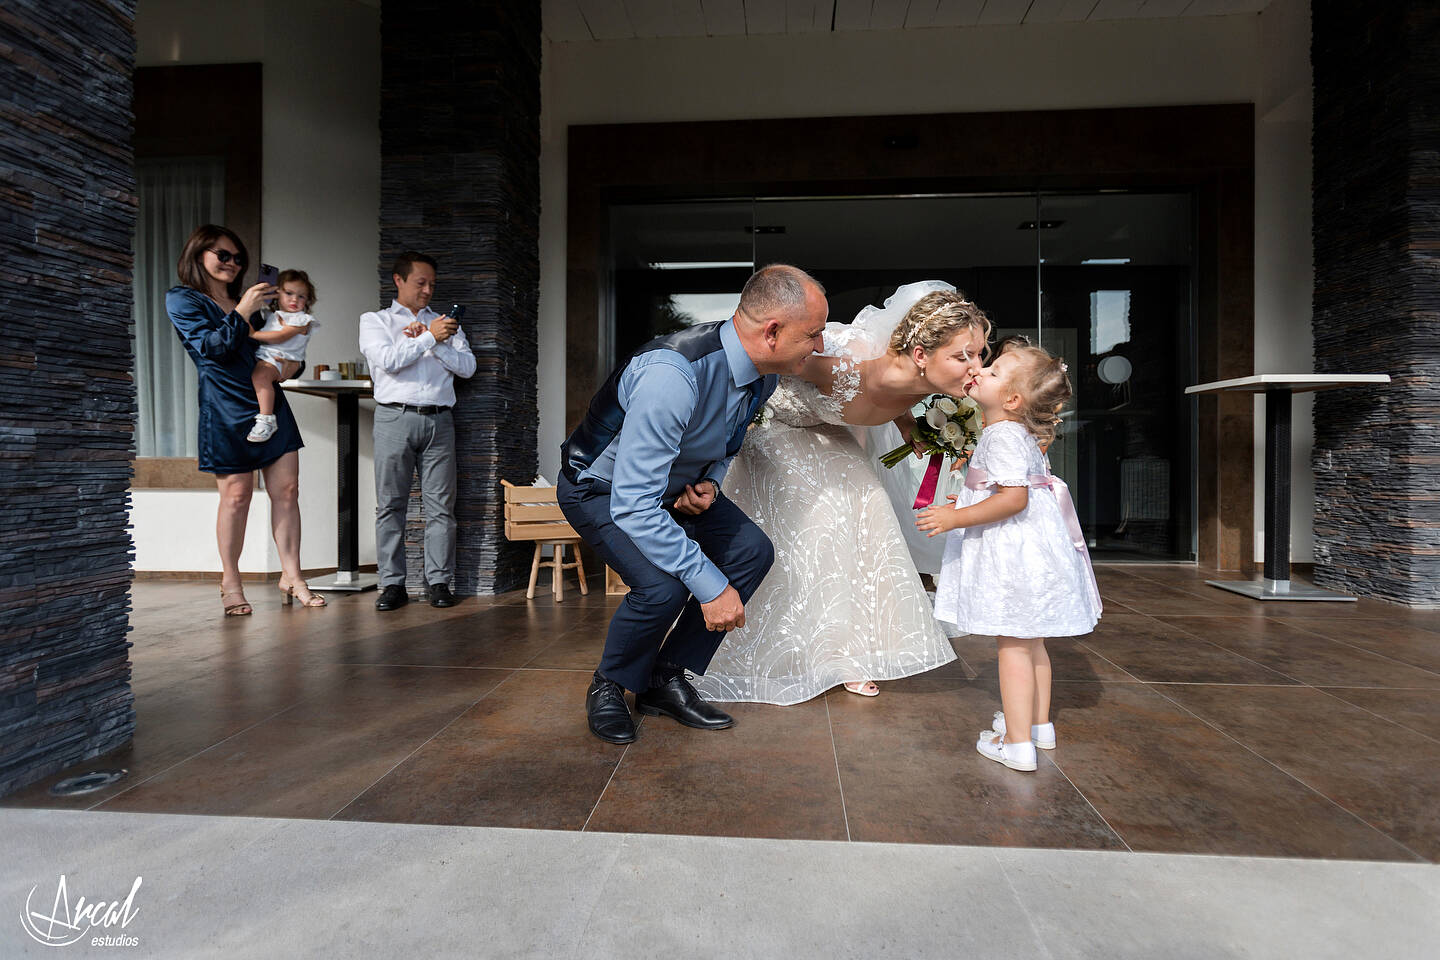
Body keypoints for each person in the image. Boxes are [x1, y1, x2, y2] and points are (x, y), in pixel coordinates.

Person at [558, 264, 828, 744]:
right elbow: (634, 506)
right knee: (662, 586)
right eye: (814, 334)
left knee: (751, 552)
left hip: (671, 487)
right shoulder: (672, 374)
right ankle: (611, 684)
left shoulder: (763, 374)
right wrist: (710, 587)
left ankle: (663, 680)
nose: (820, 347)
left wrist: (711, 481)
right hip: (602, 489)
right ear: (772, 332)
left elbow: (724, 442)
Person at [693, 282, 989, 704]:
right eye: (963, 356)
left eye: (979, 355)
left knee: (869, 500)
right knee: (822, 513)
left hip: (825, 427)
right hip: (775, 422)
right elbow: (768, 367)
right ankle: (781, 640)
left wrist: (907, 423)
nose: (975, 367)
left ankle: (852, 649)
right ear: (921, 356)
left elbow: (895, 391)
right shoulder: (846, 363)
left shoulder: (925, 381)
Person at [917, 343, 1102, 772]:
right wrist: (970, 495)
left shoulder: (1001, 434)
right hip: (1036, 547)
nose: (980, 371)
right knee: (1033, 641)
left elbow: (1014, 499)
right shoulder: (1019, 432)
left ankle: (1017, 745)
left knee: (1013, 646)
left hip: (1013, 553)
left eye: (995, 371)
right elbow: (1014, 488)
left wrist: (956, 516)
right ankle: (1039, 726)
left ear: (1013, 400)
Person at [165, 224, 325, 614]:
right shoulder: (183, 299)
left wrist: (289, 367)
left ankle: (292, 576)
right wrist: (242, 310)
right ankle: (231, 582)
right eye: (223, 255)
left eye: (238, 258)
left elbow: (287, 346)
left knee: (288, 492)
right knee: (235, 497)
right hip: (224, 406)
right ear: (199, 255)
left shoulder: (247, 301)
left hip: (266, 399)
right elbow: (210, 349)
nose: (232, 263)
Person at [359, 251, 476, 610]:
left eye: (432, 285)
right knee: (390, 505)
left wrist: (435, 340)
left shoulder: (445, 324)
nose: (427, 290)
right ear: (399, 280)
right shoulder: (374, 321)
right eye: (420, 283)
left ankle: (438, 582)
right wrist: (427, 338)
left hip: (440, 420)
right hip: (395, 416)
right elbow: (389, 361)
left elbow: (468, 367)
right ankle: (392, 585)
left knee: (442, 507)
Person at [247, 269, 318, 443]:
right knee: (257, 376)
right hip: (268, 356)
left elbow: (280, 337)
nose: (294, 299)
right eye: (289, 293)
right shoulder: (272, 316)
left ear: (308, 300)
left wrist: (252, 334)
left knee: (260, 376)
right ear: (278, 293)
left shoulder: (302, 320)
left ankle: (266, 419)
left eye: (301, 296)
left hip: (281, 359)